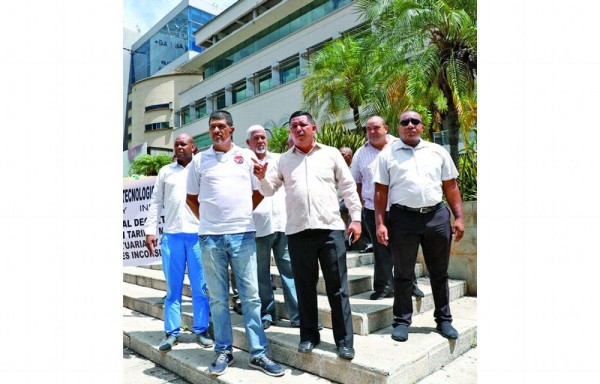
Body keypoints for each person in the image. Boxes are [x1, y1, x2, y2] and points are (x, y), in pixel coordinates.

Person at [253, 111, 362, 360]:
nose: (299, 129)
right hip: (298, 232)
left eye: (303, 125)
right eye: (294, 126)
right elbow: (269, 191)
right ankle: (309, 336)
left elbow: (348, 187)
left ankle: (344, 340)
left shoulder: (331, 154)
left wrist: (355, 218)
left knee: (337, 288)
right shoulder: (283, 160)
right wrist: (261, 178)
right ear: (290, 131)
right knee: (304, 287)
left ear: (314, 128)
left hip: (330, 230)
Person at [186, 110, 284, 377]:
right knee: (218, 298)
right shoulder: (199, 160)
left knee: (251, 296)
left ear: (231, 129)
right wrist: (210, 222)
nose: (216, 131)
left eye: (221, 126)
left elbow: (261, 191)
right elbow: (191, 199)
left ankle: (259, 354)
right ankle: (223, 351)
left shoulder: (246, 156)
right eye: (212, 127)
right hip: (210, 238)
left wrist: (240, 214)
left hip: (243, 235)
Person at [373, 110, 464, 342]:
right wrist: (380, 223)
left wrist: (459, 217)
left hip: (436, 217)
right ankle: (402, 321)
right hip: (402, 219)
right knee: (403, 273)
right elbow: (380, 193)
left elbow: (451, 186)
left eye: (415, 121)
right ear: (399, 127)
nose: (410, 125)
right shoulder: (387, 155)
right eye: (405, 122)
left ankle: (444, 320)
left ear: (422, 127)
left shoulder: (437, 151)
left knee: (439, 273)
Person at [144, 133, 213, 352]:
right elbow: (155, 202)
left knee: (200, 287)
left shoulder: (202, 169)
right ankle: (172, 332)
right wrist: (150, 230)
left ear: (193, 147)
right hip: (172, 236)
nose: (179, 147)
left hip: (197, 236)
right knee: (173, 289)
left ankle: (201, 329)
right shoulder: (166, 172)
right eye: (176, 144)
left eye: (184, 144)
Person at [351, 116, 424, 300]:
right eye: (368, 129)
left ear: (386, 127)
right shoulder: (360, 153)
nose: (372, 132)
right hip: (372, 209)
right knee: (380, 250)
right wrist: (362, 206)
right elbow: (357, 183)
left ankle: (411, 285)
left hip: (400, 207)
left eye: (376, 128)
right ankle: (383, 287)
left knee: (404, 249)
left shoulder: (400, 146)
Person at [246, 125, 300, 329]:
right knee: (261, 273)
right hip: (257, 227)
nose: (260, 141)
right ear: (248, 143)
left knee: (289, 270)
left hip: (283, 224)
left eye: (263, 138)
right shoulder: (243, 163)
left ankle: (298, 315)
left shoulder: (279, 159)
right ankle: (267, 313)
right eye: (255, 138)